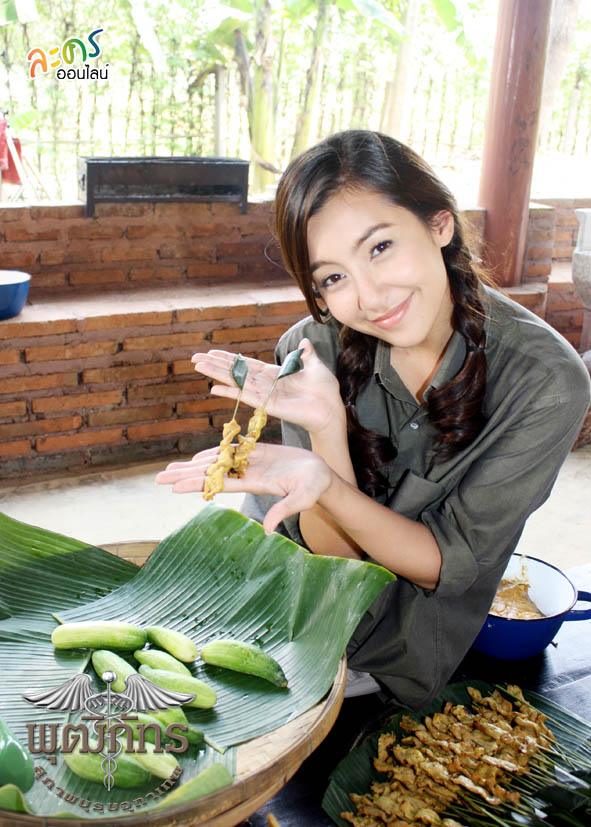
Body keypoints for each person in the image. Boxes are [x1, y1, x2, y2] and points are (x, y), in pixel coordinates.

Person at [155, 130, 591, 710]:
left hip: (396, 663)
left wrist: (327, 484)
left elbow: (444, 569)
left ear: (440, 224)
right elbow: (331, 567)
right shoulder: (310, 352)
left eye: (380, 247)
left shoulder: (543, 381)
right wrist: (326, 430)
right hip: (279, 613)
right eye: (333, 277)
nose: (370, 296)